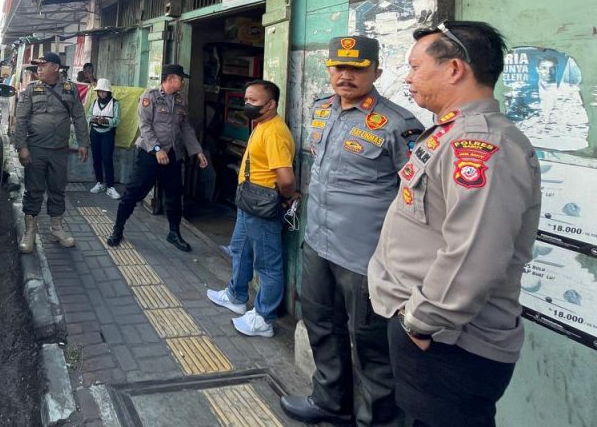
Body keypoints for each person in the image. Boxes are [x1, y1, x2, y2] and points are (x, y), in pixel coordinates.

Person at [368, 21, 541, 427]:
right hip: (430, 329)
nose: (407, 77)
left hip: (448, 341)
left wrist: (420, 322)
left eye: (414, 67)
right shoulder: (449, 132)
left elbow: (475, 251)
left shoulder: (481, 145)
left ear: (454, 69)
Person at [280, 36, 424, 427]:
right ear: (329, 70)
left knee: (373, 348)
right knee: (321, 326)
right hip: (318, 244)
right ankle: (330, 402)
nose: (346, 76)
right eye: (339, 67)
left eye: (357, 68)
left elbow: (417, 198)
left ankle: (376, 421)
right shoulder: (322, 110)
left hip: (367, 257)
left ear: (375, 71)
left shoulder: (400, 125)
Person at [206, 79, 295, 338]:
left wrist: (285, 198)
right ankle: (236, 295)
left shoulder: (275, 131)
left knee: (268, 265)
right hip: (249, 202)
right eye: (246, 100)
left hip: (263, 206)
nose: (247, 105)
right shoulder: (261, 125)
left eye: (253, 101)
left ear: (271, 104)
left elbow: (287, 179)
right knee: (240, 249)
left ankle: (264, 318)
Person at [106, 64, 209, 252]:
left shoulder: (180, 101)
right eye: (181, 78)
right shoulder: (150, 96)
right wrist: (157, 149)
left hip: (173, 154)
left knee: (174, 194)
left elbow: (185, 128)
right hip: (149, 153)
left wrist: (197, 150)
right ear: (170, 79)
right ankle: (117, 229)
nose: (183, 82)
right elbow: (144, 126)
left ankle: (174, 233)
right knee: (135, 192)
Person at [15, 51, 89, 253]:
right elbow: (20, 120)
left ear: (56, 67)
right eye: (37, 66)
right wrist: (22, 147)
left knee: (57, 189)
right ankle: (30, 232)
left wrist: (83, 142)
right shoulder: (31, 90)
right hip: (36, 150)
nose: (38, 68)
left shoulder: (70, 89)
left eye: (43, 65)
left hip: (60, 151)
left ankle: (56, 228)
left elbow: (79, 117)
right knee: (34, 190)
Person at [88, 77, 121, 200]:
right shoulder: (94, 102)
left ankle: (110, 186)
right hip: (95, 132)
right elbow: (88, 116)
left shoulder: (115, 103)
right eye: (100, 91)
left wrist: (106, 121)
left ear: (108, 92)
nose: (101, 93)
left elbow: (117, 120)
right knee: (97, 158)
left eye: (104, 91)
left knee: (107, 159)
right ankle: (99, 183)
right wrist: (93, 119)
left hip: (108, 133)